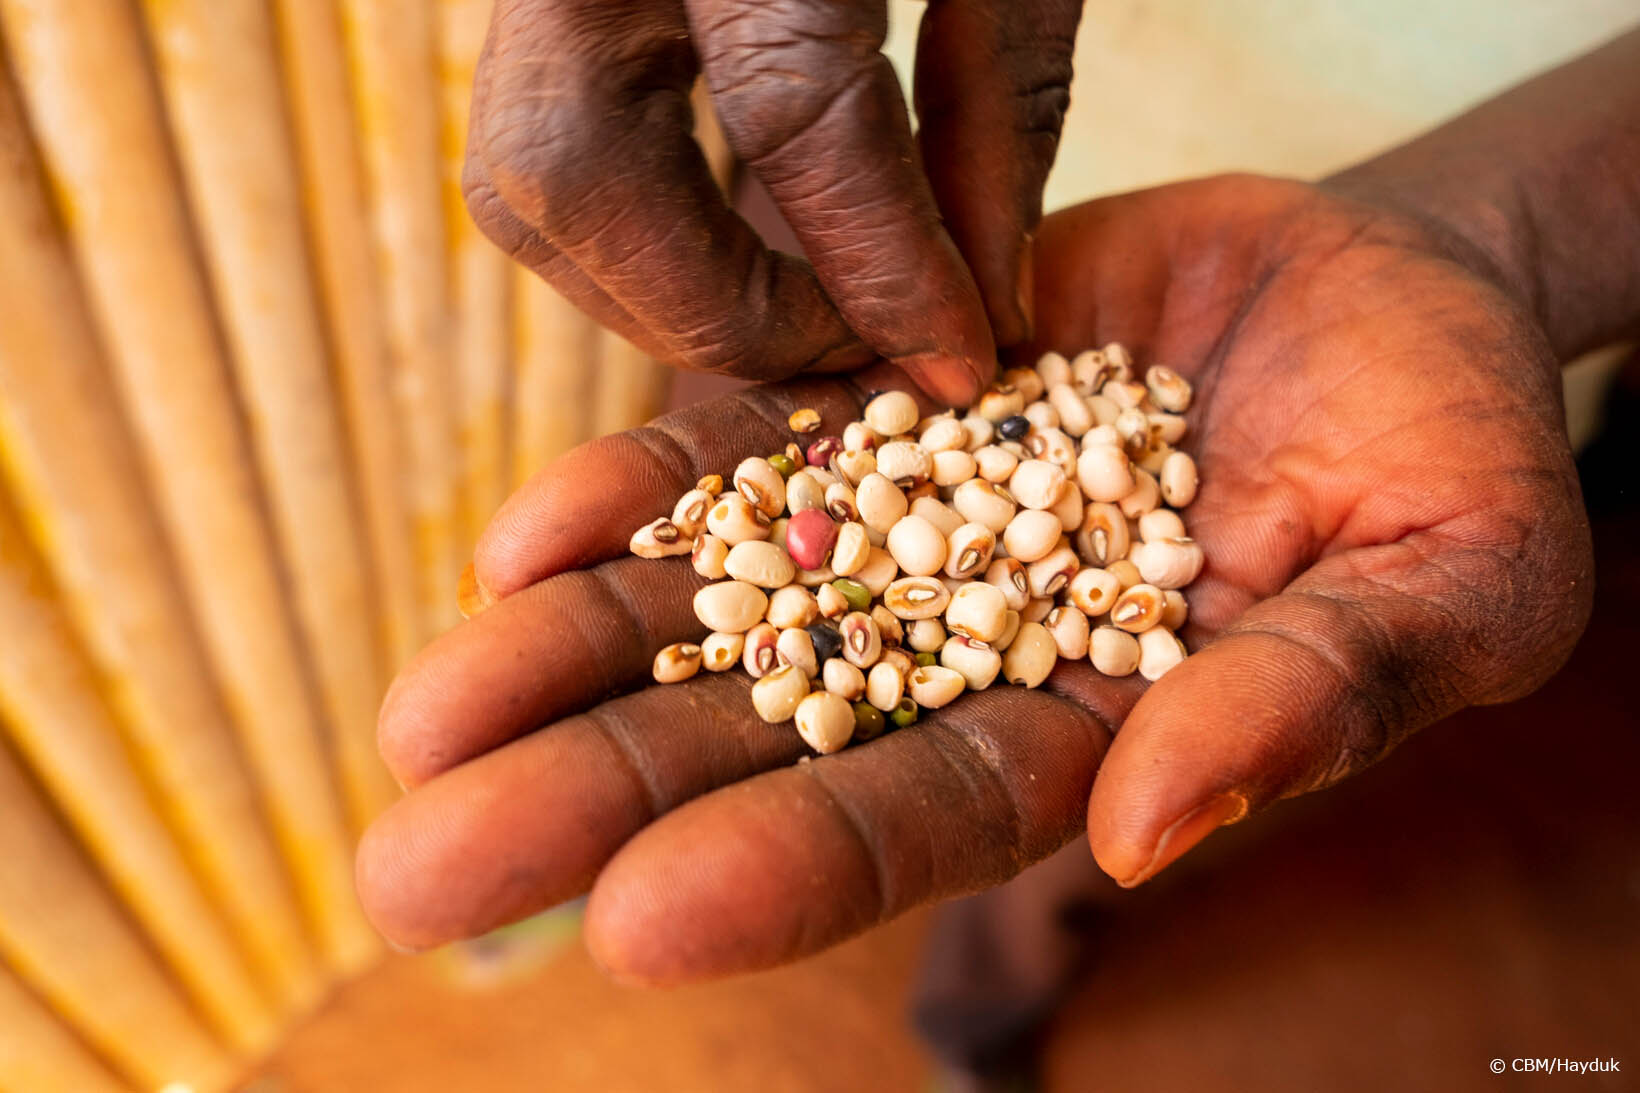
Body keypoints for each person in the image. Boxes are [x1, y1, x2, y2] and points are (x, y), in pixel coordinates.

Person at [358, 1, 1637, 1003]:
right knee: (695, 503)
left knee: (1087, 791)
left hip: (1374, 330)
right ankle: (580, 860)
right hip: (862, 174)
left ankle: (977, 1010)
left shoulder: (1101, 523)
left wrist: (1490, 232)